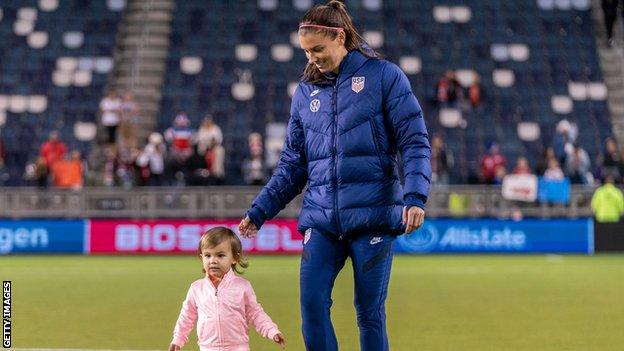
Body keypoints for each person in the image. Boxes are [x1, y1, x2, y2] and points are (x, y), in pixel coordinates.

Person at [238, 2, 431, 350]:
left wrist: (415, 197)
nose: (311, 58)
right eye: (306, 52)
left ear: (339, 37)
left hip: (373, 217)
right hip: (322, 220)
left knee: (369, 312)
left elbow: (414, 141)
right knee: (312, 306)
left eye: (317, 50)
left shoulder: (385, 77)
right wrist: (259, 211)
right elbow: (293, 165)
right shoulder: (304, 93)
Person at [168, 227, 285, 351]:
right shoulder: (196, 288)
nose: (213, 260)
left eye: (220, 255)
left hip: (238, 348)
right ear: (201, 257)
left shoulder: (242, 287)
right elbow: (186, 317)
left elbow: (256, 313)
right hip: (207, 348)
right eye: (208, 255)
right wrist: (178, 339)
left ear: (234, 258)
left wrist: (272, 331)